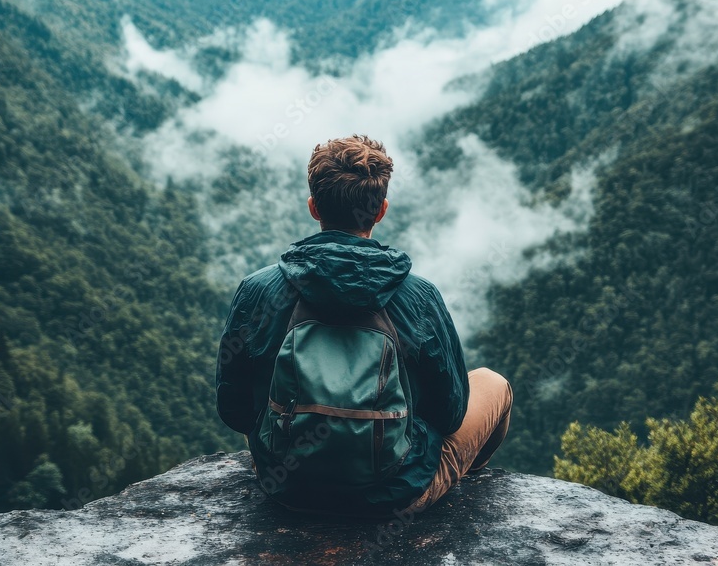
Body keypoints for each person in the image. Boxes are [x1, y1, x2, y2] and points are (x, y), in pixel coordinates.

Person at [215, 134, 513, 517]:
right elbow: (451, 413)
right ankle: (451, 492)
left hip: (288, 490)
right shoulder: (419, 296)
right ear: (381, 210)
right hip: (393, 495)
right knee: (493, 383)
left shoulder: (258, 289)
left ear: (313, 207)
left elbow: (234, 410)